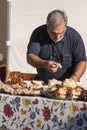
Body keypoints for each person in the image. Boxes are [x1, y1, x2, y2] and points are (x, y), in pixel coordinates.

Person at [26, 9, 86, 83]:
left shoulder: (74, 36)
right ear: (47, 26)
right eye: (53, 33)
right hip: (44, 84)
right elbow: (30, 57)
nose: (57, 37)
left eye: (61, 32)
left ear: (65, 26)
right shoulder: (38, 33)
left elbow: (82, 61)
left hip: (68, 86)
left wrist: (75, 77)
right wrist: (44, 63)